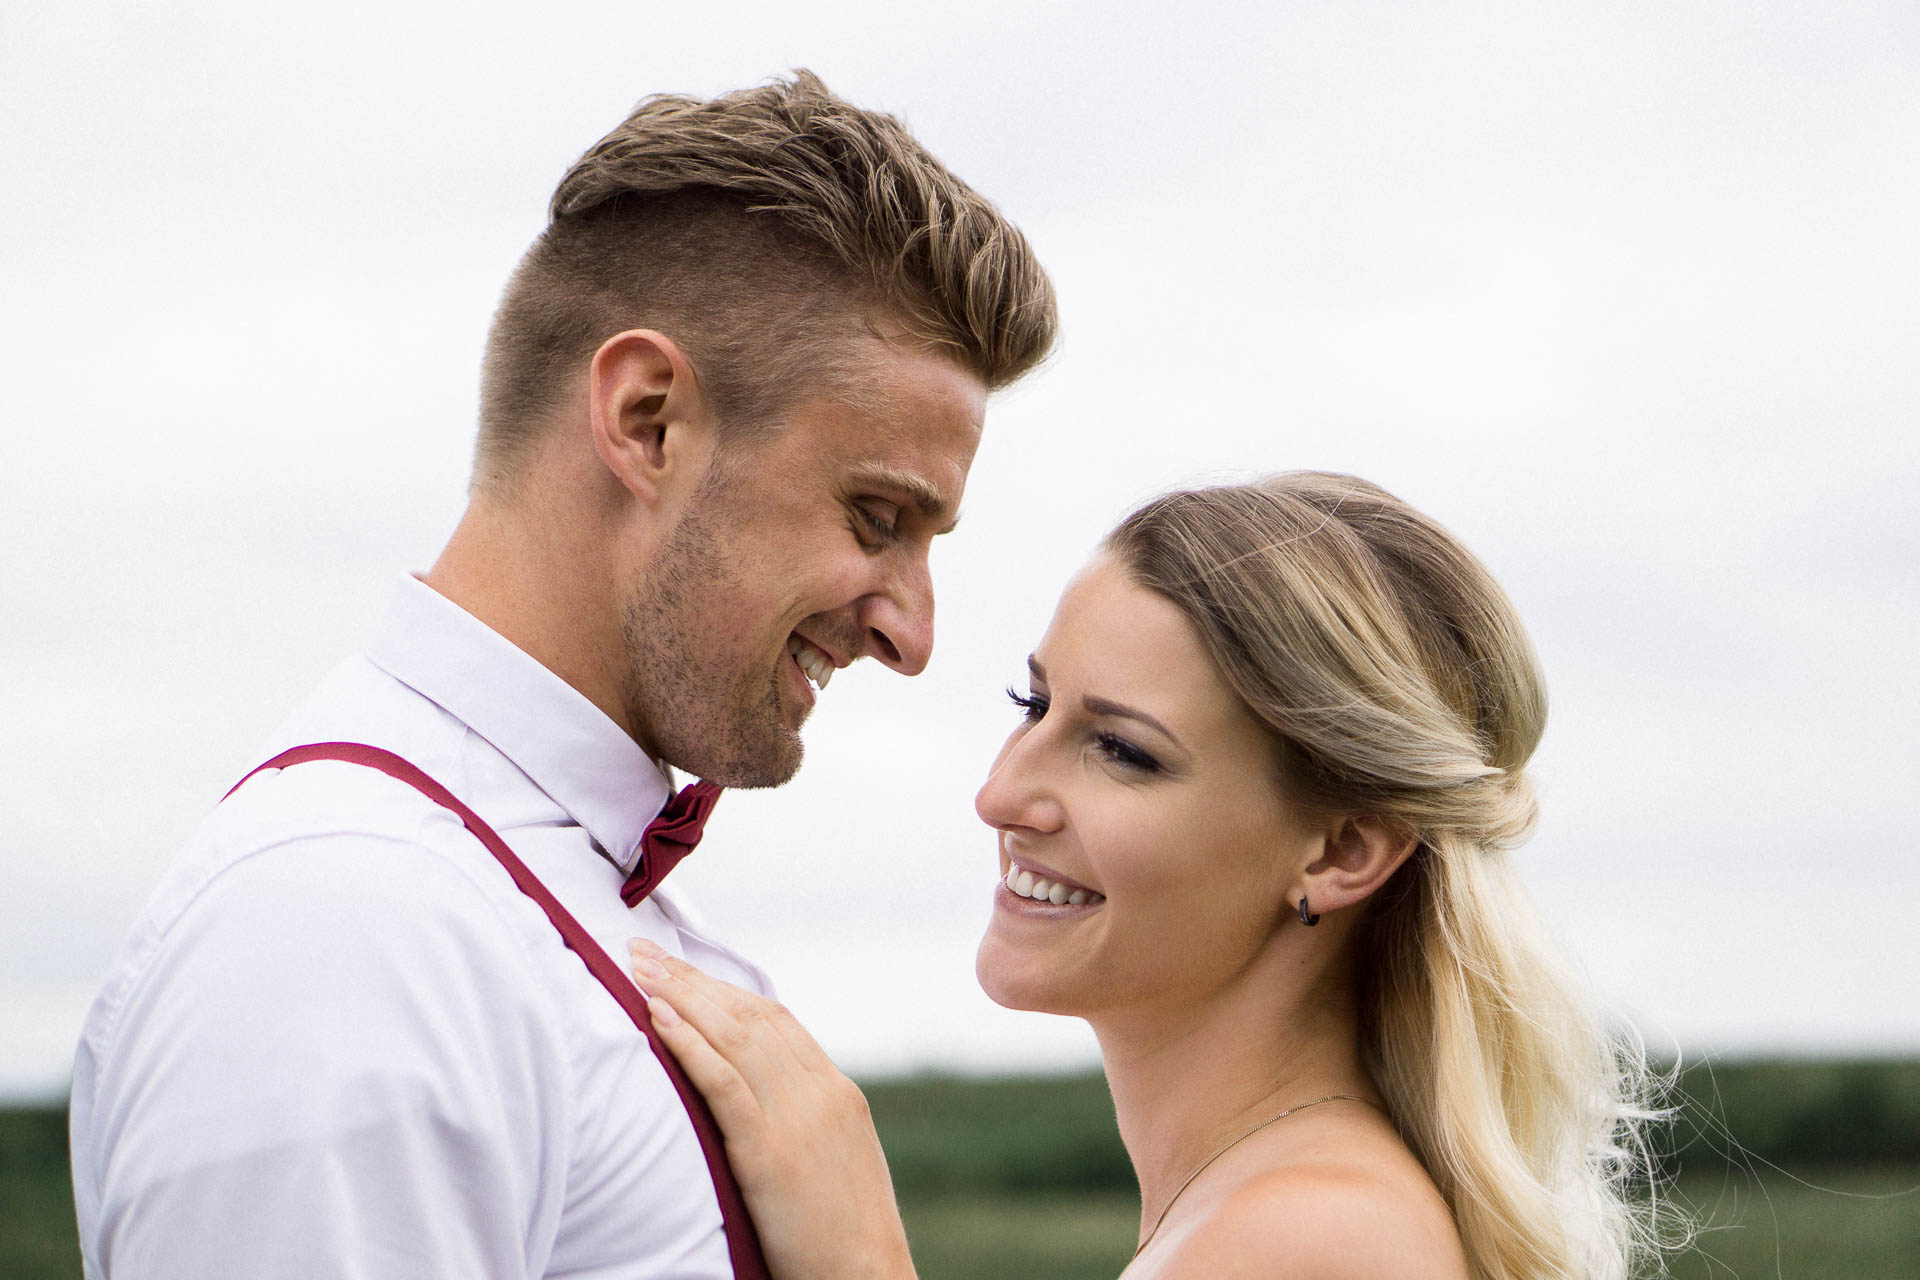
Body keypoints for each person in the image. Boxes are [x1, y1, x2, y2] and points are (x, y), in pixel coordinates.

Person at [68, 72, 1057, 1279]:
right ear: (647, 421)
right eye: (877, 515)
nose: (913, 633)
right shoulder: (352, 934)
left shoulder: (509, 904)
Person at [626, 472, 1666, 1280]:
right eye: (1034, 707)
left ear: (1343, 850)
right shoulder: (1257, 1205)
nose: (1002, 794)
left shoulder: (1312, 1236)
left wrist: (858, 1255)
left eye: (1122, 750)